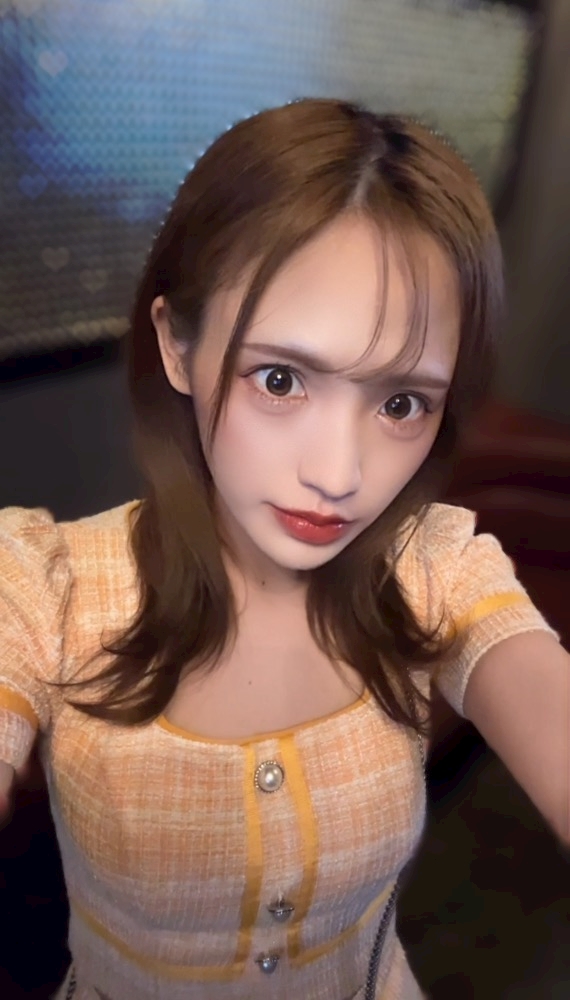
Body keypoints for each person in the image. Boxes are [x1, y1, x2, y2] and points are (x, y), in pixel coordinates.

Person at [0, 98, 567, 1000]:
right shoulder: (46, 584)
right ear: (176, 346)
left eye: (401, 404)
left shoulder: (433, 566)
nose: (339, 475)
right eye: (280, 379)